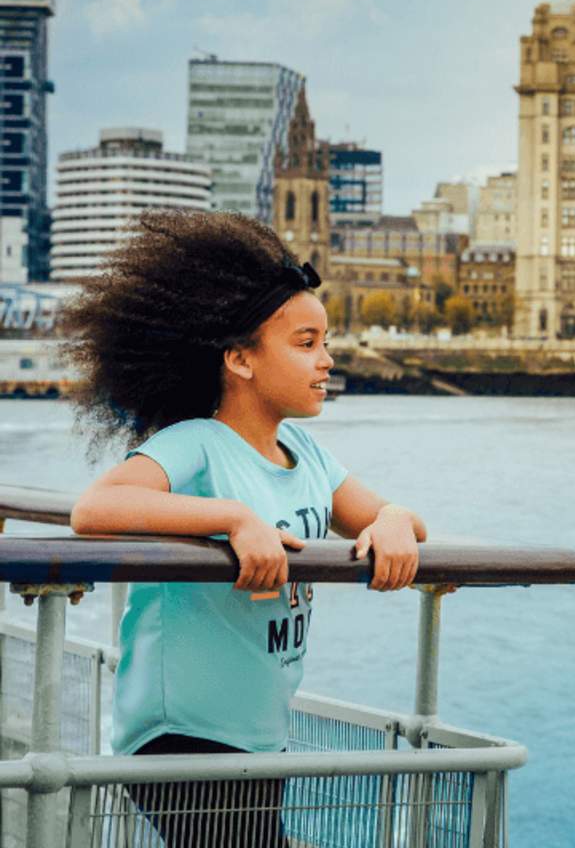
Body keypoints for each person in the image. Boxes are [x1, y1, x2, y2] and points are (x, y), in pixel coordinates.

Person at [65, 210, 427, 846]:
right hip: (178, 736)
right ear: (240, 359)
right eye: (305, 343)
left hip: (259, 732)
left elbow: (392, 515)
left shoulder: (308, 456)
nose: (327, 360)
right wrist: (233, 518)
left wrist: (395, 521)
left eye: (326, 342)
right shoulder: (198, 444)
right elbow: (96, 509)